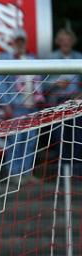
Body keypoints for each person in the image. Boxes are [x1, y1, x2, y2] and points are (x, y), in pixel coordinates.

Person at [0, 29, 45, 177]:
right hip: (15, 105)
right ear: (12, 42)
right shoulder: (4, 58)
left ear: (25, 41)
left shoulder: (32, 58)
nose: (19, 44)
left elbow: (40, 81)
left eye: (22, 41)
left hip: (33, 105)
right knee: (15, 140)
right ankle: (14, 173)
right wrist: (6, 104)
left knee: (31, 140)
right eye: (17, 41)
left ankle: (26, 173)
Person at [44, 28, 82, 175]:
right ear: (58, 42)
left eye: (68, 39)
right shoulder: (50, 58)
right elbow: (41, 84)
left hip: (77, 102)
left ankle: (76, 171)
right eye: (62, 39)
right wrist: (56, 84)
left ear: (73, 41)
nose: (66, 42)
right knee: (60, 136)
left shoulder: (79, 57)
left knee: (77, 135)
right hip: (58, 102)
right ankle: (62, 171)